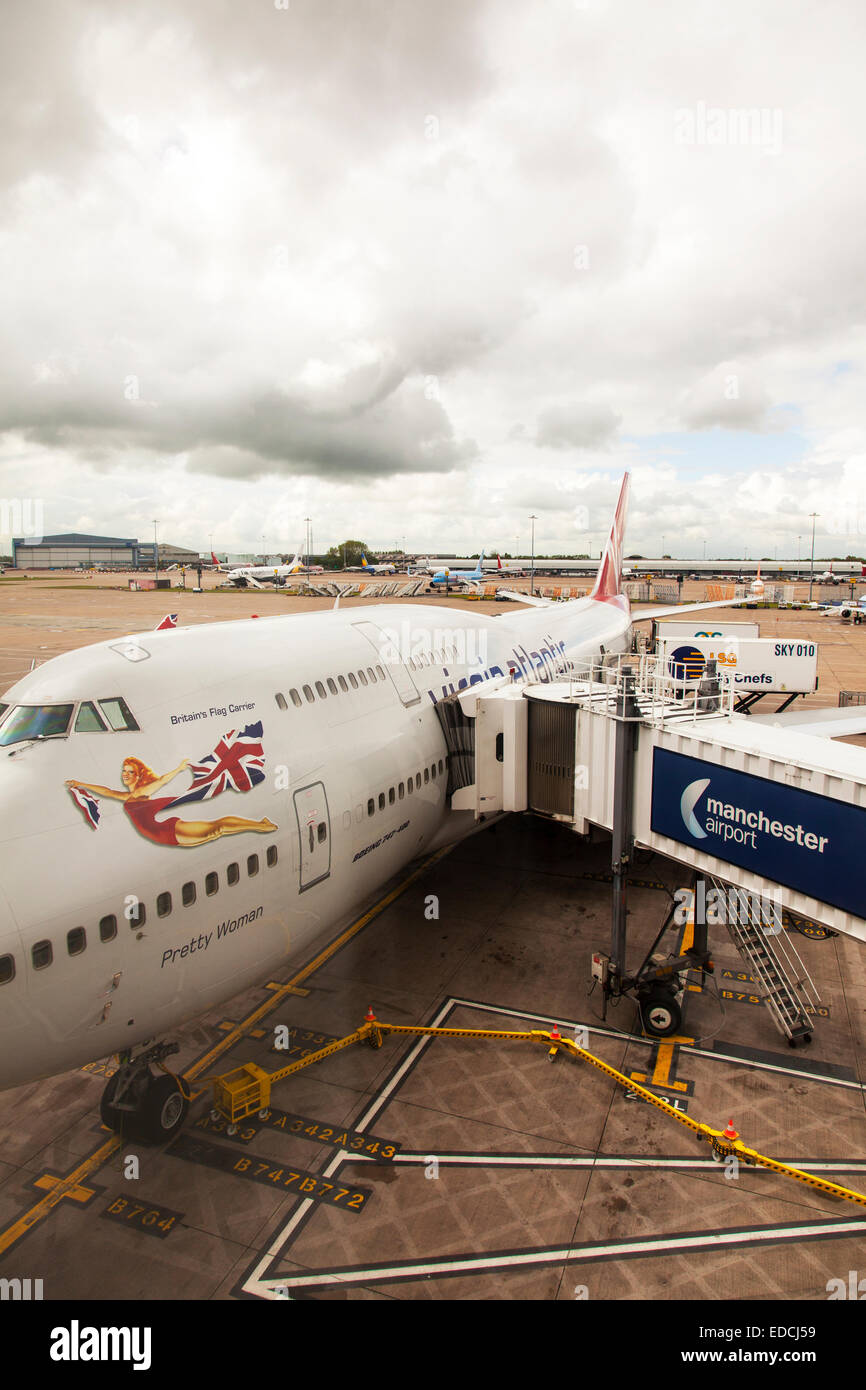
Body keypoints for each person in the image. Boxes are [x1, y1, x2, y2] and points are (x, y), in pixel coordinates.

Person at [66, 757, 277, 848]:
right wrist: (80, 783)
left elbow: (163, 781)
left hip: (166, 831)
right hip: (161, 836)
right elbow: (107, 791)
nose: (126, 775)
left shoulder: (142, 791)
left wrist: (178, 768)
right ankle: (261, 825)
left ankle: (261, 825)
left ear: (138, 775)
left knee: (217, 828)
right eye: (124, 771)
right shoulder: (127, 796)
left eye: (131, 772)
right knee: (216, 829)